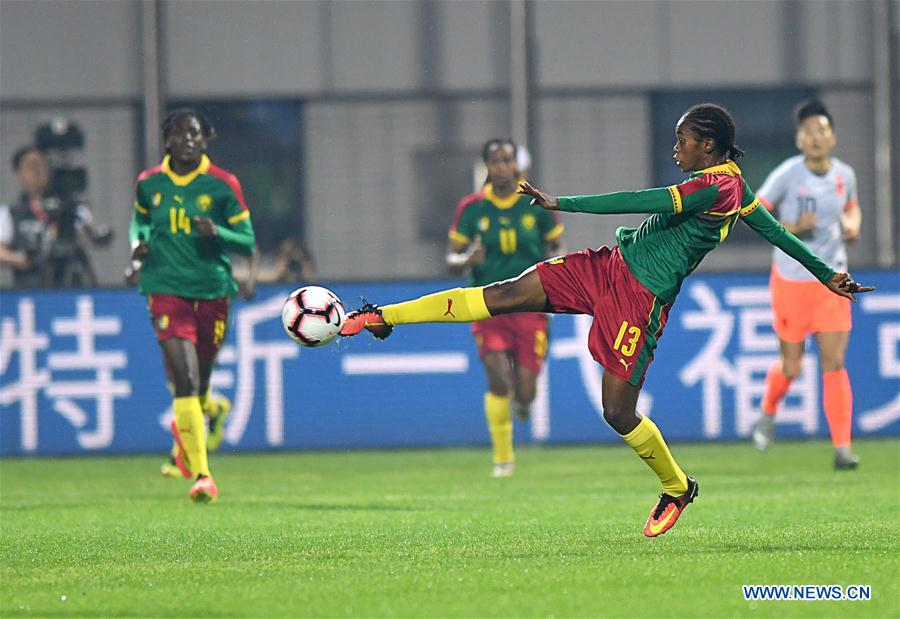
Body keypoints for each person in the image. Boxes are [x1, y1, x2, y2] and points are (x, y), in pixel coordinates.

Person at [339, 103, 873, 537]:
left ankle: (677, 487)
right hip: (606, 267)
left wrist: (561, 202)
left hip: (639, 303)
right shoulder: (728, 182)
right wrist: (827, 273)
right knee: (500, 294)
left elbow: (641, 199)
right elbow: (778, 231)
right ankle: (383, 316)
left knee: (617, 413)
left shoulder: (719, 188)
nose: (676, 146)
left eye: (683, 139)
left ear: (707, 145)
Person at [130, 108, 256, 502]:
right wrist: (137, 249)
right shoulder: (149, 185)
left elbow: (247, 240)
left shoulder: (222, 185)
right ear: (167, 139)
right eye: (180, 133)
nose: (188, 138)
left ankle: (206, 413)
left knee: (198, 381)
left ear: (207, 140)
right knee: (182, 380)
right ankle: (202, 474)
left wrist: (218, 232)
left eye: (196, 133)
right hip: (164, 286)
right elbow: (140, 226)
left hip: (212, 290)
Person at [749, 100, 863, 469]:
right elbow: (756, 210)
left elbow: (852, 206)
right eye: (809, 132)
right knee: (793, 366)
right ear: (799, 139)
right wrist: (793, 229)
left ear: (832, 136)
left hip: (832, 280)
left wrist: (852, 224)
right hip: (792, 279)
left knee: (834, 361)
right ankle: (768, 410)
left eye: (822, 130)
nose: (816, 137)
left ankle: (842, 448)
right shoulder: (787, 174)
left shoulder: (845, 174)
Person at [446, 138, 563, 477]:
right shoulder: (472, 208)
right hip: (487, 304)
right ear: (487, 166)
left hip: (531, 304)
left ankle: (522, 404)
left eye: (506, 160)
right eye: (495, 161)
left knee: (525, 391)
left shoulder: (534, 204)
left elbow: (556, 243)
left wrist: (556, 259)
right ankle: (503, 458)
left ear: (516, 165)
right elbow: (451, 258)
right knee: (498, 380)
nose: (501, 167)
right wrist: (466, 260)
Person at [0, 145, 109, 288]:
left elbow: (95, 236)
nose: (38, 171)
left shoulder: (71, 208)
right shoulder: (11, 212)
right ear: (19, 172)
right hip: (31, 289)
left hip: (70, 285)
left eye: (42, 165)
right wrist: (23, 259)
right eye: (31, 166)